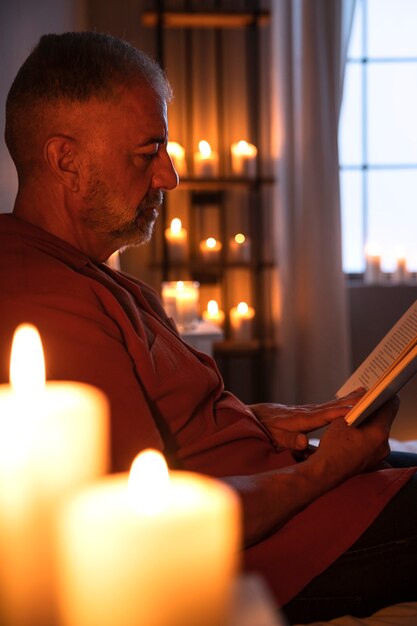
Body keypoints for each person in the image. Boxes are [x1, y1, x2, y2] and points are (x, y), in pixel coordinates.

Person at [0, 31, 416, 625]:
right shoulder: (40, 296)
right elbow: (151, 512)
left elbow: (169, 431)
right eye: (148, 154)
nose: (168, 178)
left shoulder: (88, 273)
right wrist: (329, 467)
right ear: (65, 158)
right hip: (282, 546)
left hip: (287, 492)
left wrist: (257, 419)